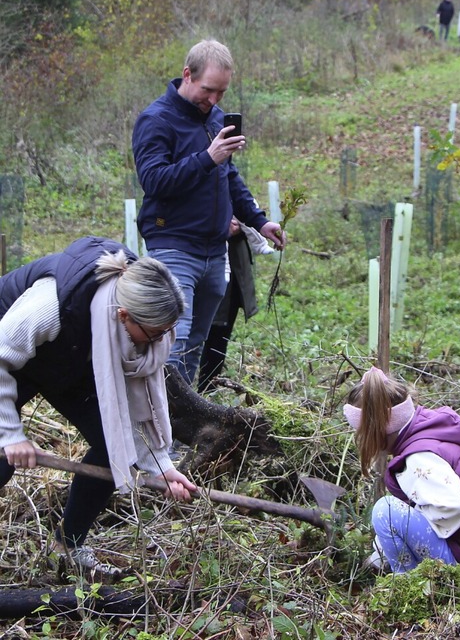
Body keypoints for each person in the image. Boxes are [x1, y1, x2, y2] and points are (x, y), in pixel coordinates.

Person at [0, 236, 197, 578]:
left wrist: (160, 466)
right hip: (11, 355)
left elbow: (131, 406)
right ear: (124, 316)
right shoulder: (51, 305)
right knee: (1, 461)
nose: (157, 346)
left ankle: (68, 546)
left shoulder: (128, 327)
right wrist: (10, 434)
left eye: (167, 333)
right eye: (152, 335)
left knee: (113, 447)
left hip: (67, 360)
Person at [132, 39, 286, 386]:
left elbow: (229, 177)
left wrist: (260, 221)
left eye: (222, 92)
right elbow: (154, 181)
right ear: (188, 75)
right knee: (174, 339)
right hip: (172, 242)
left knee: (195, 342)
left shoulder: (215, 119)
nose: (214, 100)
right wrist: (208, 157)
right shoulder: (156, 120)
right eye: (208, 90)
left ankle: (184, 427)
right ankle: (162, 432)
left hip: (214, 250)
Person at [344, 366, 460, 577]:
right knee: (395, 513)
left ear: (377, 428)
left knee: (387, 511)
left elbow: (453, 508)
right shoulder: (428, 433)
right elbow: (417, 506)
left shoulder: (419, 458)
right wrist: (380, 552)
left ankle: (407, 582)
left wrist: (406, 528)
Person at [197, 217, 273, 392]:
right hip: (197, 259)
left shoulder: (232, 190)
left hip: (233, 264)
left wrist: (244, 220)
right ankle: (177, 394)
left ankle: (207, 392)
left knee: (219, 331)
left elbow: (245, 202)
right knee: (187, 332)